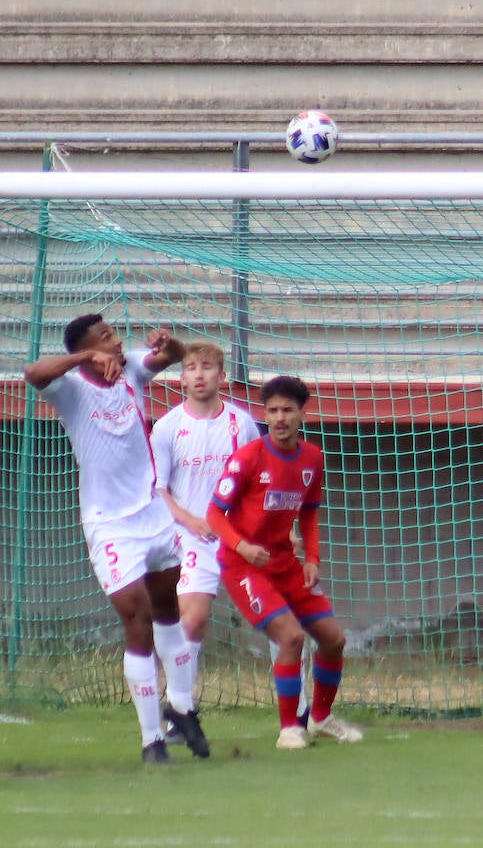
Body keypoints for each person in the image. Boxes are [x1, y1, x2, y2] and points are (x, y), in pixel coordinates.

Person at [24, 313, 209, 764]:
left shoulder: (132, 371)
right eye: (106, 337)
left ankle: (182, 709)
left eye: (114, 334)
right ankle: (152, 740)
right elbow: (32, 373)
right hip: (110, 525)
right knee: (138, 617)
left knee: (169, 609)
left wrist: (171, 343)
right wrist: (87, 355)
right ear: (87, 349)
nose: (117, 340)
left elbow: (180, 355)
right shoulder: (71, 389)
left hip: (153, 513)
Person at [206, 376, 362, 750]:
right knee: (291, 638)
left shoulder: (313, 458)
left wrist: (311, 558)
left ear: (301, 414)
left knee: (333, 640)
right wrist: (242, 547)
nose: (279, 418)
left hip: (285, 563)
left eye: (287, 410)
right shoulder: (248, 458)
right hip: (244, 566)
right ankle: (290, 728)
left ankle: (322, 718)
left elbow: (309, 512)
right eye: (272, 410)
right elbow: (214, 514)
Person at [150, 340, 261, 740]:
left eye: (207, 367)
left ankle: (299, 716)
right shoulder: (167, 427)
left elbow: (254, 480)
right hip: (189, 538)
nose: (199, 374)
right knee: (191, 621)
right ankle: (179, 711)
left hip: (236, 538)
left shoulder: (241, 423)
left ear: (221, 375)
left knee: (285, 620)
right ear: (181, 377)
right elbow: (159, 490)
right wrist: (193, 521)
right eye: (191, 367)